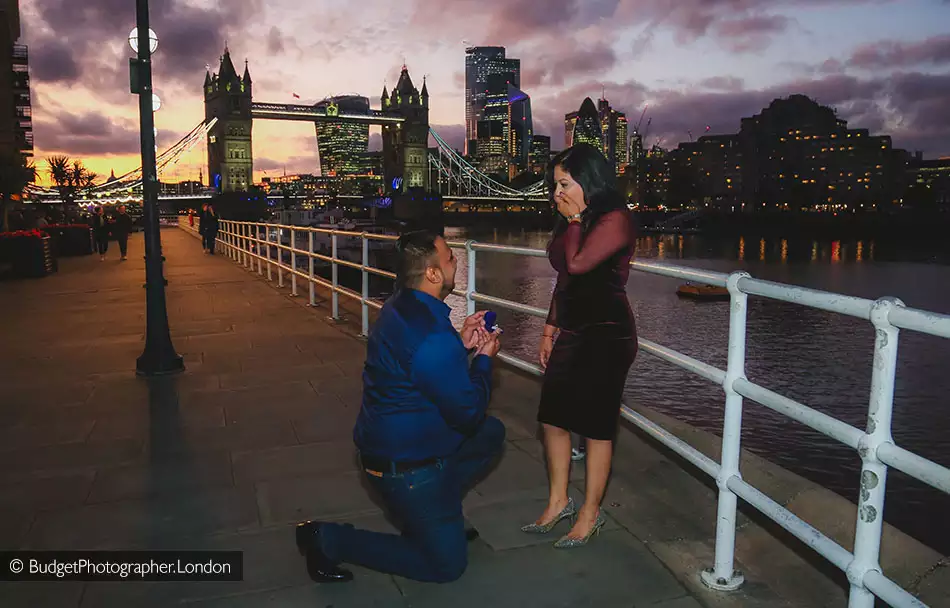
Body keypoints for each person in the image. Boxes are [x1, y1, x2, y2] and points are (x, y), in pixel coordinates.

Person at [295, 230, 505, 584]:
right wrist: (484, 360)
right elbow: (467, 411)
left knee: (491, 434)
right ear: (433, 274)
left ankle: (434, 514)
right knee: (447, 567)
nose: (456, 262)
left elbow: (419, 363)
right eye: (451, 258)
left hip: (388, 446)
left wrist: (460, 342)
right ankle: (328, 539)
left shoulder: (400, 307)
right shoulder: (431, 337)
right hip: (406, 469)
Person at [523, 143, 638, 548]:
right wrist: (549, 329)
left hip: (607, 334)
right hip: (572, 330)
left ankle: (590, 514)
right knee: (552, 417)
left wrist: (573, 221)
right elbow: (565, 282)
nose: (555, 193)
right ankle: (558, 502)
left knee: (595, 426)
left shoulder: (614, 219)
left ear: (589, 180)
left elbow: (578, 265)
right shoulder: (575, 220)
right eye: (553, 185)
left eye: (564, 183)